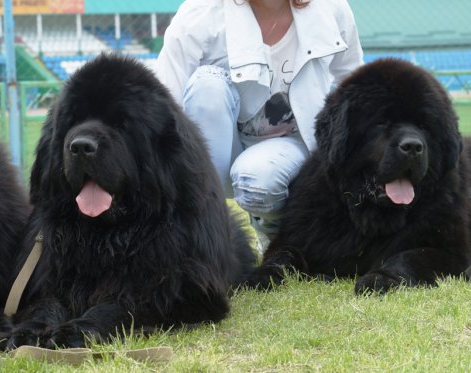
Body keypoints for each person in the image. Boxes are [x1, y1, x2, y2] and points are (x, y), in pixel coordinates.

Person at [155, 0, 363, 250]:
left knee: (257, 179)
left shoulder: (331, 8)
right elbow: (164, 99)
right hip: (217, 145)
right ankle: (203, 223)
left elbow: (353, 83)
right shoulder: (200, 12)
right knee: (206, 85)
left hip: (289, 145)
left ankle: (275, 233)